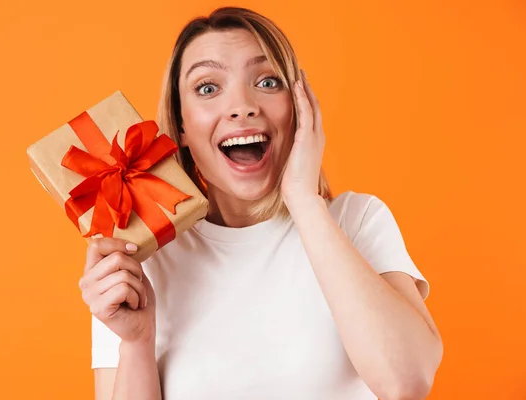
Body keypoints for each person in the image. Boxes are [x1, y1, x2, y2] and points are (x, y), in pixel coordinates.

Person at [78, 6, 443, 400]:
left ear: (299, 107)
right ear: (181, 125)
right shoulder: (144, 256)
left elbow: (407, 383)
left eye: (268, 81)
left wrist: (304, 201)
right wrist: (136, 341)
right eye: (207, 87)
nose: (242, 106)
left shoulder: (357, 220)